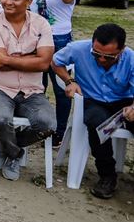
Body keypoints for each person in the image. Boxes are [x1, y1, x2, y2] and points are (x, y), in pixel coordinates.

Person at [0, 0, 56, 181]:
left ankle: (6, 147)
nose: (8, 2)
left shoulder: (41, 24)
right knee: (0, 118)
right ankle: (15, 153)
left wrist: (11, 58)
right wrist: (31, 57)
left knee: (48, 124)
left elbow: (44, 64)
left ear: (29, 2)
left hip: (32, 91)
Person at [53, 23, 133, 199]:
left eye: (109, 57)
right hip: (93, 100)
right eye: (96, 54)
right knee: (96, 123)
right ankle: (107, 175)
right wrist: (69, 81)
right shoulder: (78, 48)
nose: (102, 59)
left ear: (122, 50)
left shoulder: (131, 58)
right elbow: (55, 61)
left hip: (123, 101)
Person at [32, 0, 78, 145]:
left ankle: (59, 132)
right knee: (37, 85)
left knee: (60, 86)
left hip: (59, 38)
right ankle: (40, 126)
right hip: (38, 38)